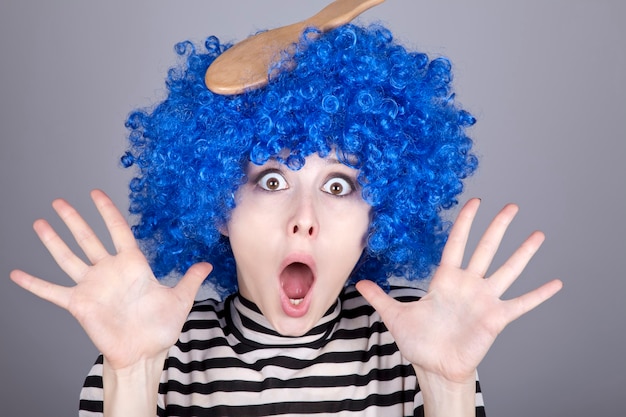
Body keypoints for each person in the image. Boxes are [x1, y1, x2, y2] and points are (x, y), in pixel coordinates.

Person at [9, 4, 562, 417]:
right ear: (220, 205)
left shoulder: (421, 340)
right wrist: (130, 377)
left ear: (380, 217)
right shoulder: (152, 346)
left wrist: (448, 388)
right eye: (272, 180)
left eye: (340, 185)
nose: (304, 217)